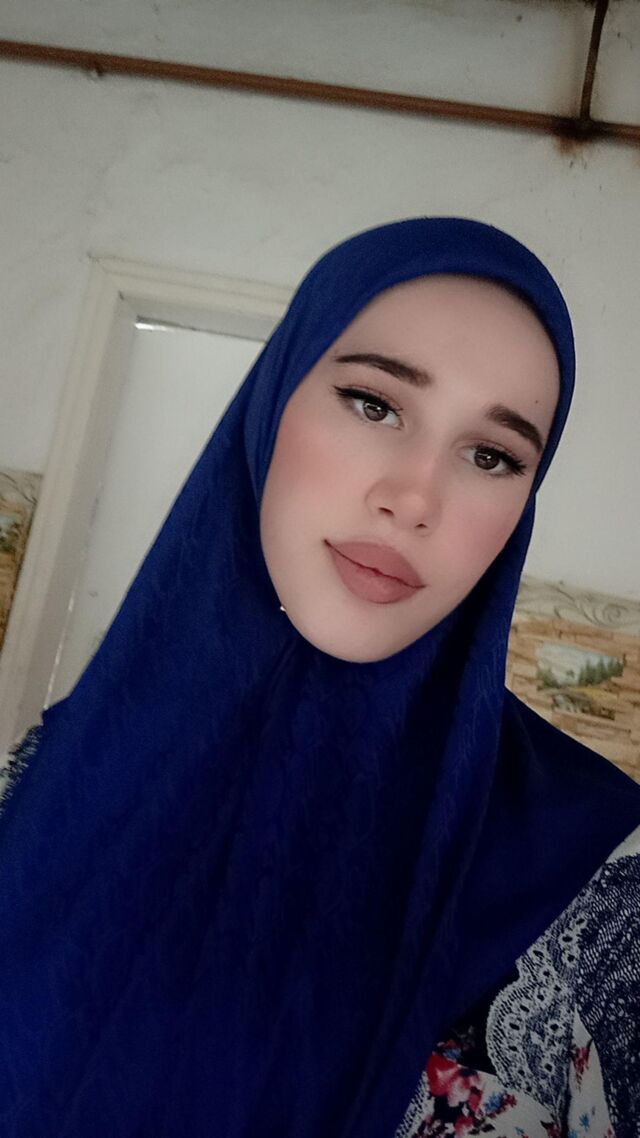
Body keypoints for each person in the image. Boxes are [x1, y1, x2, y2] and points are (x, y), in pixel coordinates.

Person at [0, 218, 638, 1138]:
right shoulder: (52, 767)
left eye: (492, 456)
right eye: (374, 404)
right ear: (273, 402)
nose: (413, 499)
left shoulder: (606, 887)